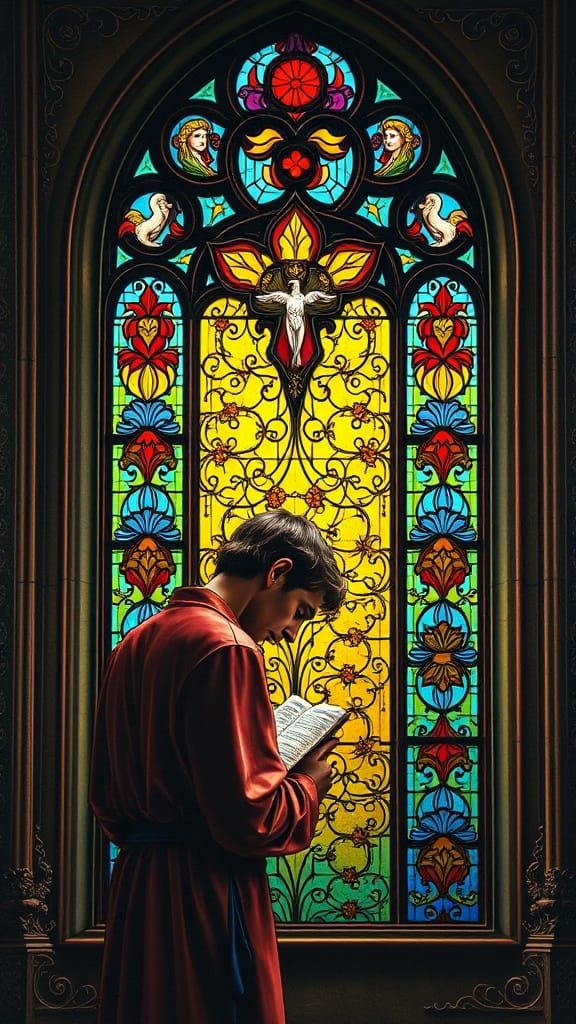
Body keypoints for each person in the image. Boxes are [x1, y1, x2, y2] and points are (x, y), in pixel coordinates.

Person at [89, 510, 346, 1024]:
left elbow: (107, 791)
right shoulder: (229, 648)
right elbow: (247, 819)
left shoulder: (134, 643)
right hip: (204, 894)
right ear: (276, 572)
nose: (292, 632)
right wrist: (307, 785)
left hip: (139, 891)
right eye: (301, 610)